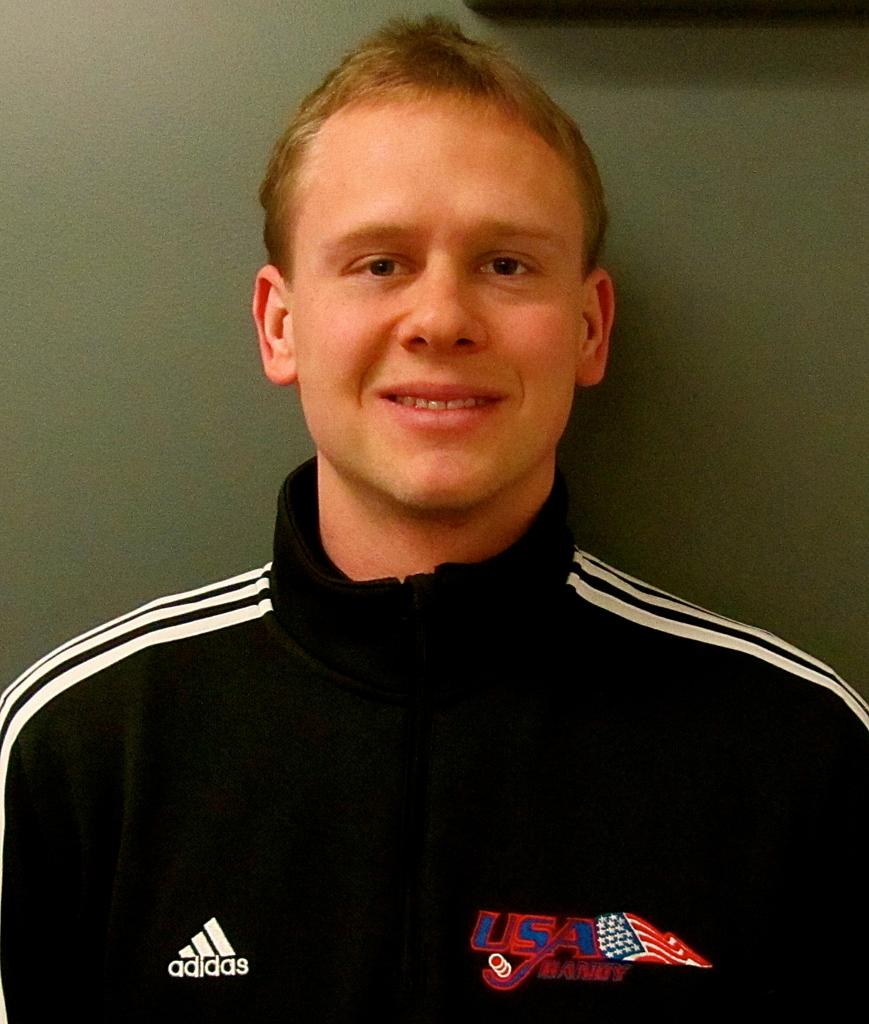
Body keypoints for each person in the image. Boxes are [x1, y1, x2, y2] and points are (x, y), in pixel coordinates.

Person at [1, 16, 865, 1022]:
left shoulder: (798, 754)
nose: (441, 318)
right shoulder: (76, 750)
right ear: (281, 324)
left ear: (589, 327)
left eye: (506, 265)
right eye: (379, 263)